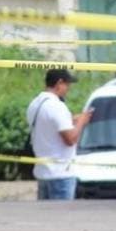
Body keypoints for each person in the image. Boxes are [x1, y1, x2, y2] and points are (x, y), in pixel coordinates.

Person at [26, 68, 93, 200]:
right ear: (59, 83)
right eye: (67, 85)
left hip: (43, 173)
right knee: (61, 213)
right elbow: (70, 139)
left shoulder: (35, 104)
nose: (68, 89)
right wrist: (82, 121)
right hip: (61, 174)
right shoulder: (57, 106)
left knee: (45, 213)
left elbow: (49, 125)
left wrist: (72, 120)